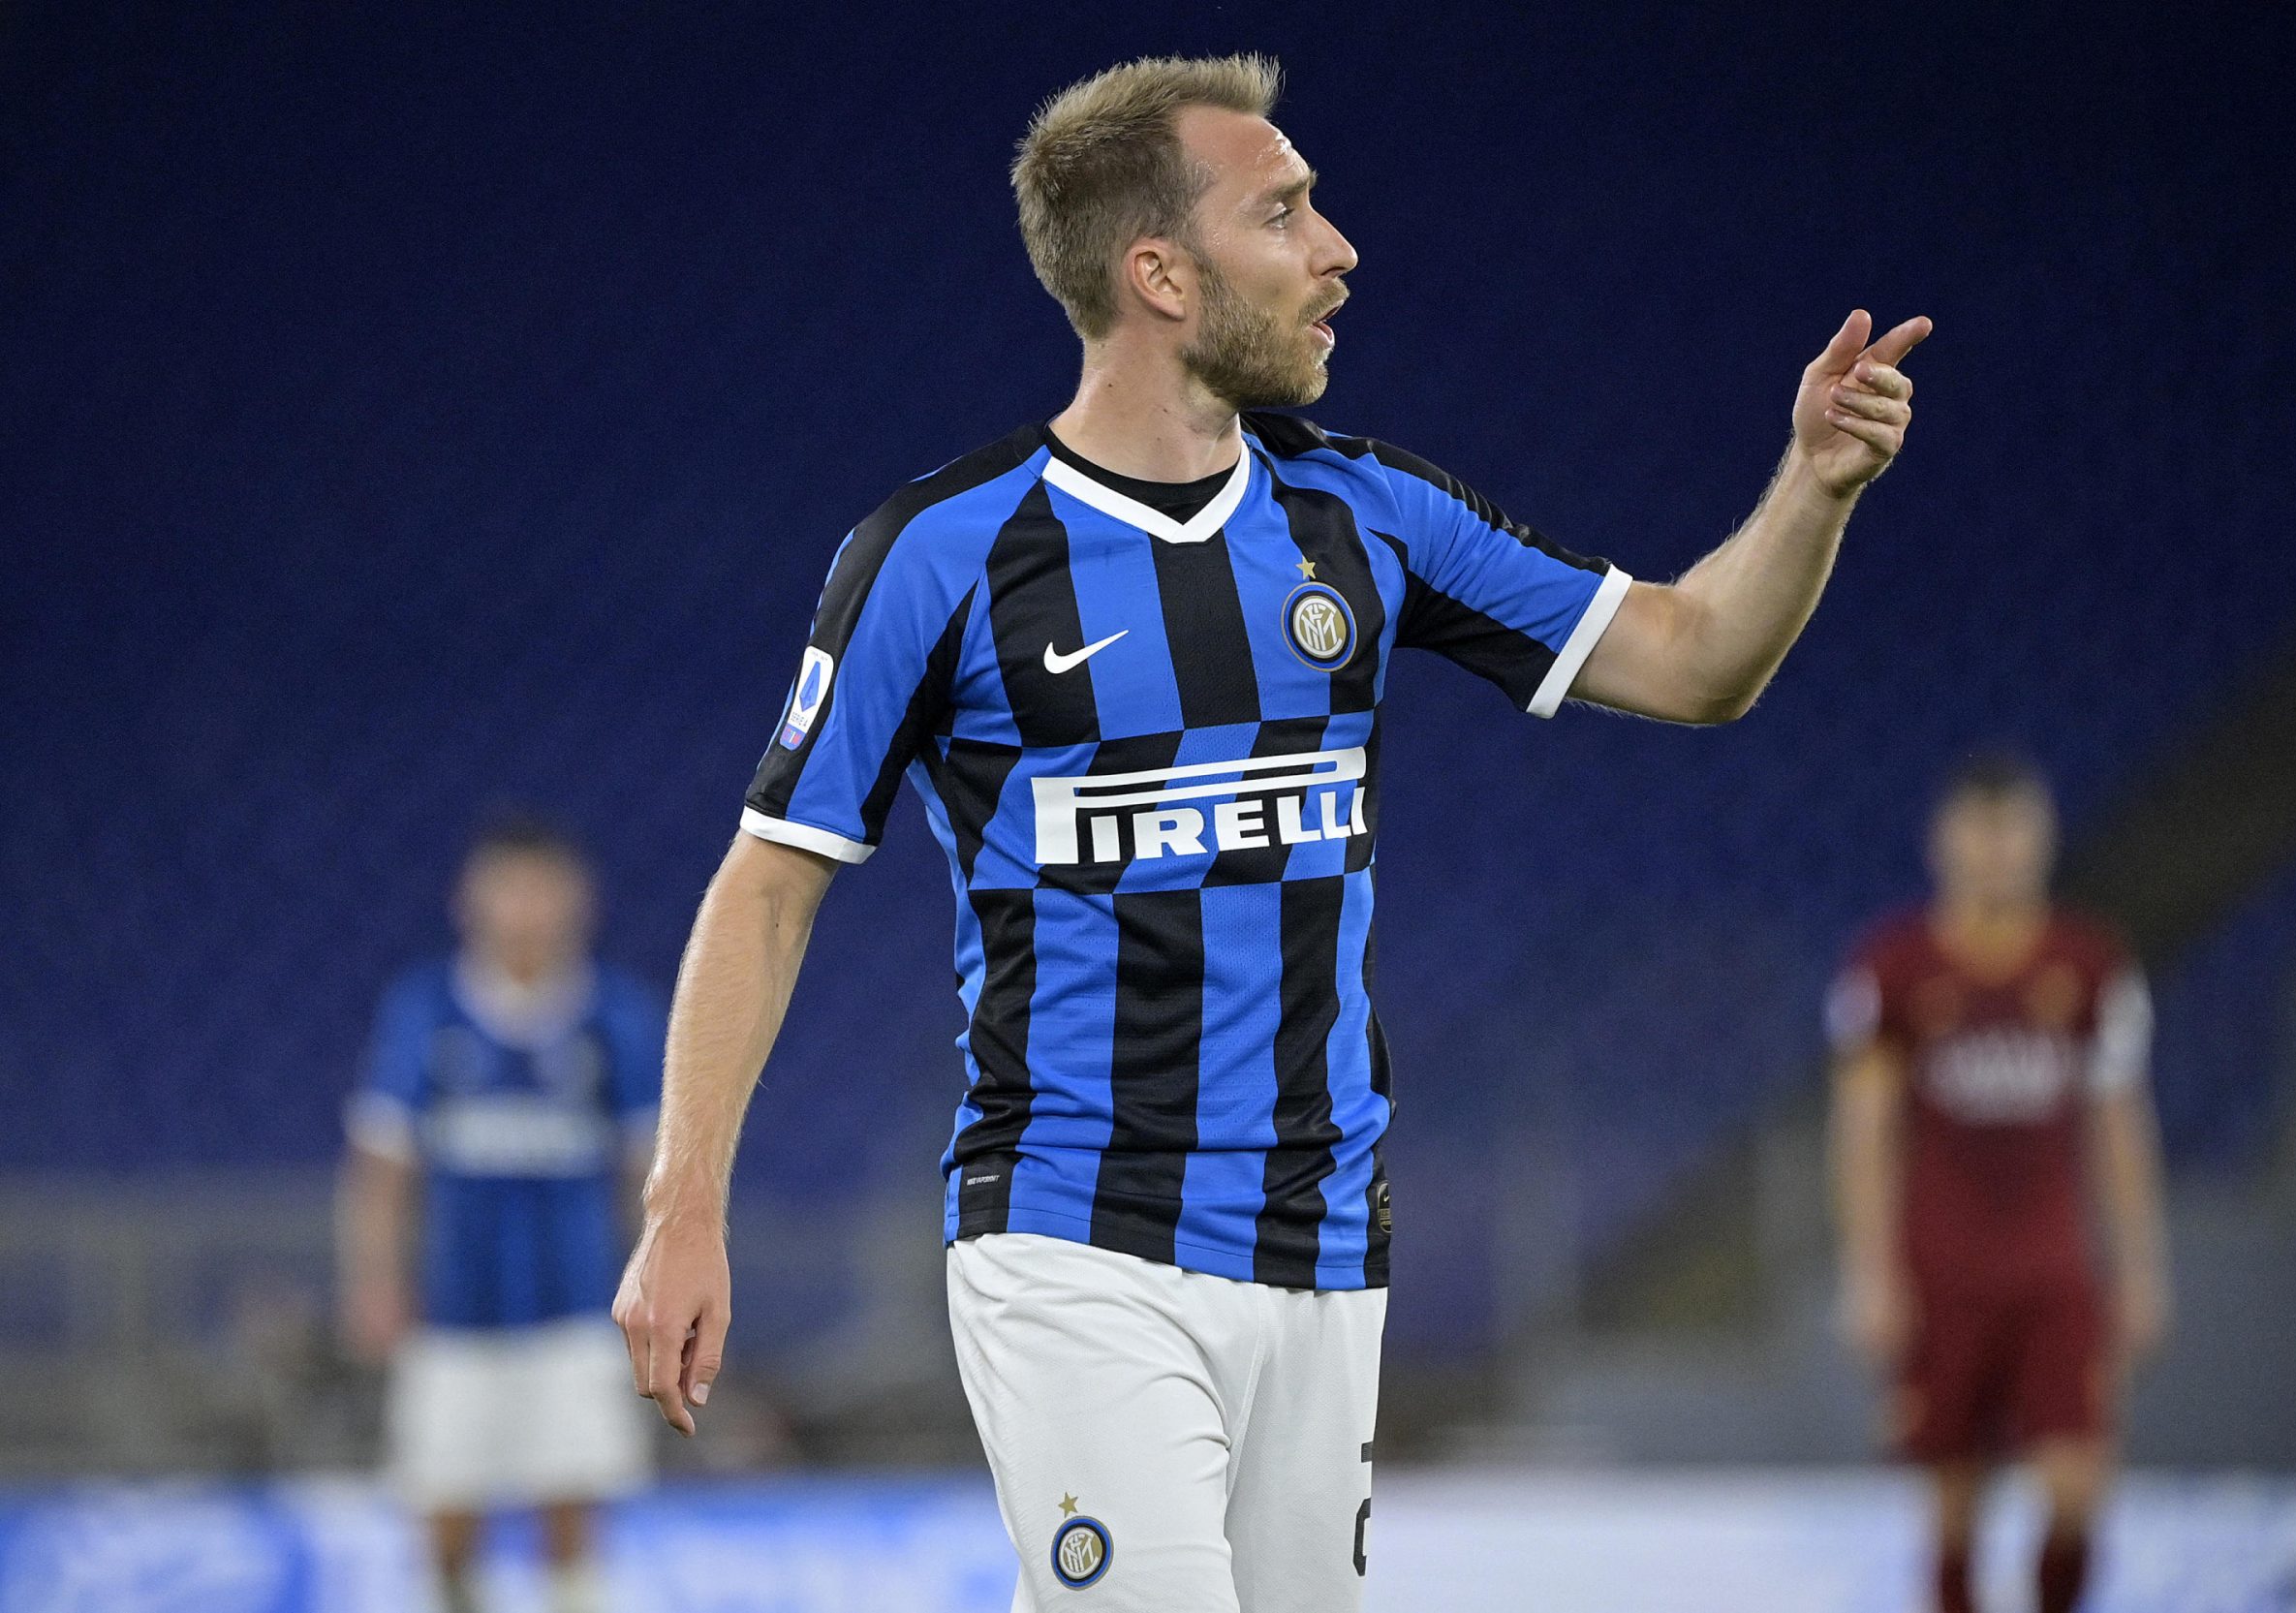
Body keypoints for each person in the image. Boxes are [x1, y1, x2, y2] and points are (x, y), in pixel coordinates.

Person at [614, 51, 1928, 1612]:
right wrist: (684, 1205)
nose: (1339, 248)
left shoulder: (1364, 518)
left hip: (1321, 1249)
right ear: (1159, 272)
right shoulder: (941, 555)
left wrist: (1818, 483)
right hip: (1073, 1235)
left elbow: (1699, 658)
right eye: (1287, 210)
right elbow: (768, 885)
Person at [1828, 755, 2171, 1613]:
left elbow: (2120, 1126)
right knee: (1951, 1508)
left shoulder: (2087, 965)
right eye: (1978, 832)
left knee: (2075, 1488)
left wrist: (2139, 1265)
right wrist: (1869, 1272)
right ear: (1943, 842)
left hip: (2052, 1270)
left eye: (2011, 830)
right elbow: (1864, 1131)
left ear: (2042, 839)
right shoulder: (1892, 968)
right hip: (1942, 1269)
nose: (1995, 853)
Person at [339, 815, 663, 1613]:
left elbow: (651, 1170)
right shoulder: (427, 1012)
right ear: (469, 900)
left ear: (577, 901)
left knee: (573, 1507)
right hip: (453, 1313)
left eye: (540, 888)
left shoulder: (614, 1017)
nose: (523, 908)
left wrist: (657, 1284)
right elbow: (382, 1166)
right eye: (506, 887)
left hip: (577, 1308)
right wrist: (374, 1280)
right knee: (446, 1514)